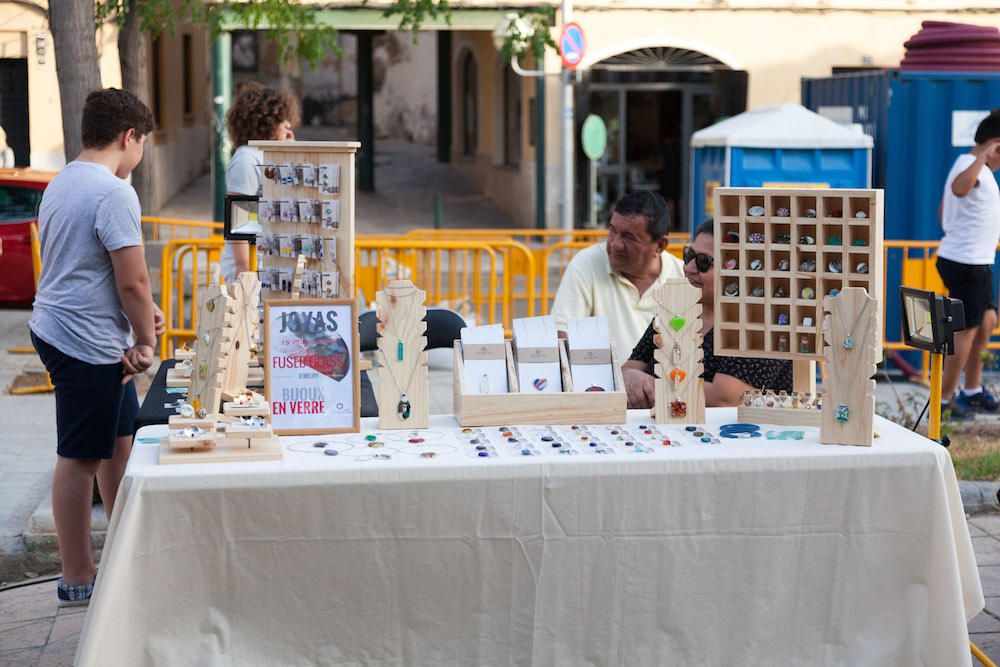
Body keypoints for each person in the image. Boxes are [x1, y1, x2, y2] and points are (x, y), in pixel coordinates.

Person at [29, 89, 163, 606]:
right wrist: (147, 339)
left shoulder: (64, 180)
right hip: (82, 341)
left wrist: (133, 324)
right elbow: (132, 282)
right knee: (80, 456)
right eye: (143, 143)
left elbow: (86, 267)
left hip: (68, 328)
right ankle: (78, 577)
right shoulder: (113, 192)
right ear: (129, 137)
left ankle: (125, 555)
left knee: (120, 438)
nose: (141, 154)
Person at [622, 218, 792, 408]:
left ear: (739, 270)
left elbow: (725, 398)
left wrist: (651, 386)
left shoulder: (763, 323)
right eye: (689, 255)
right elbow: (629, 368)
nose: (688, 268)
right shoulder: (676, 308)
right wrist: (632, 378)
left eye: (703, 262)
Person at [550, 191, 684, 351]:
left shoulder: (684, 277)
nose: (615, 244)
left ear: (660, 245)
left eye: (629, 237)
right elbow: (561, 336)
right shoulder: (587, 263)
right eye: (613, 231)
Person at [937, 110, 1000, 420]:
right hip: (968, 263)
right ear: (994, 146)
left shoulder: (972, 168)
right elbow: (960, 189)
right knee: (966, 331)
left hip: (975, 261)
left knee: (987, 321)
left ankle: (972, 389)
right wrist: (983, 157)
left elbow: (943, 211)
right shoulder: (970, 168)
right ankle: (946, 399)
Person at [221, 83, 299, 282]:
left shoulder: (270, 156)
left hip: (271, 264)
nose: (288, 125)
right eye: (282, 120)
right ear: (267, 122)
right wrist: (243, 271)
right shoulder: (247, 159)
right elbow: (240, 219)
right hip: (251, 267)